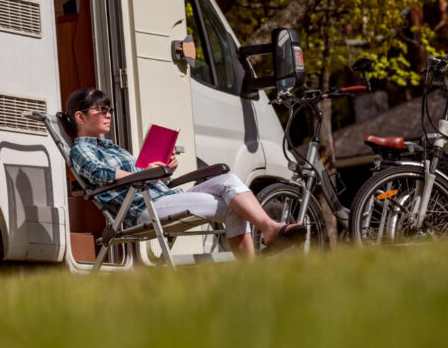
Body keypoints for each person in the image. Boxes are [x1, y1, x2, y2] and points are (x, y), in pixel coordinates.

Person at [60, 88, 304, 259]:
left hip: (160, 197)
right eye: (101, 109)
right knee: (233, 205)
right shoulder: (80, 150)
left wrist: (162, 173)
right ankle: (264, 246)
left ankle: (270, 228)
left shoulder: (111, 146)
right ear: (80, 117)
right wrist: (146, 175)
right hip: (142, 210)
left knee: (228, 181)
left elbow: (134, 178)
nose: (108, 114)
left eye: (109, 109)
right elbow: (99, 173)